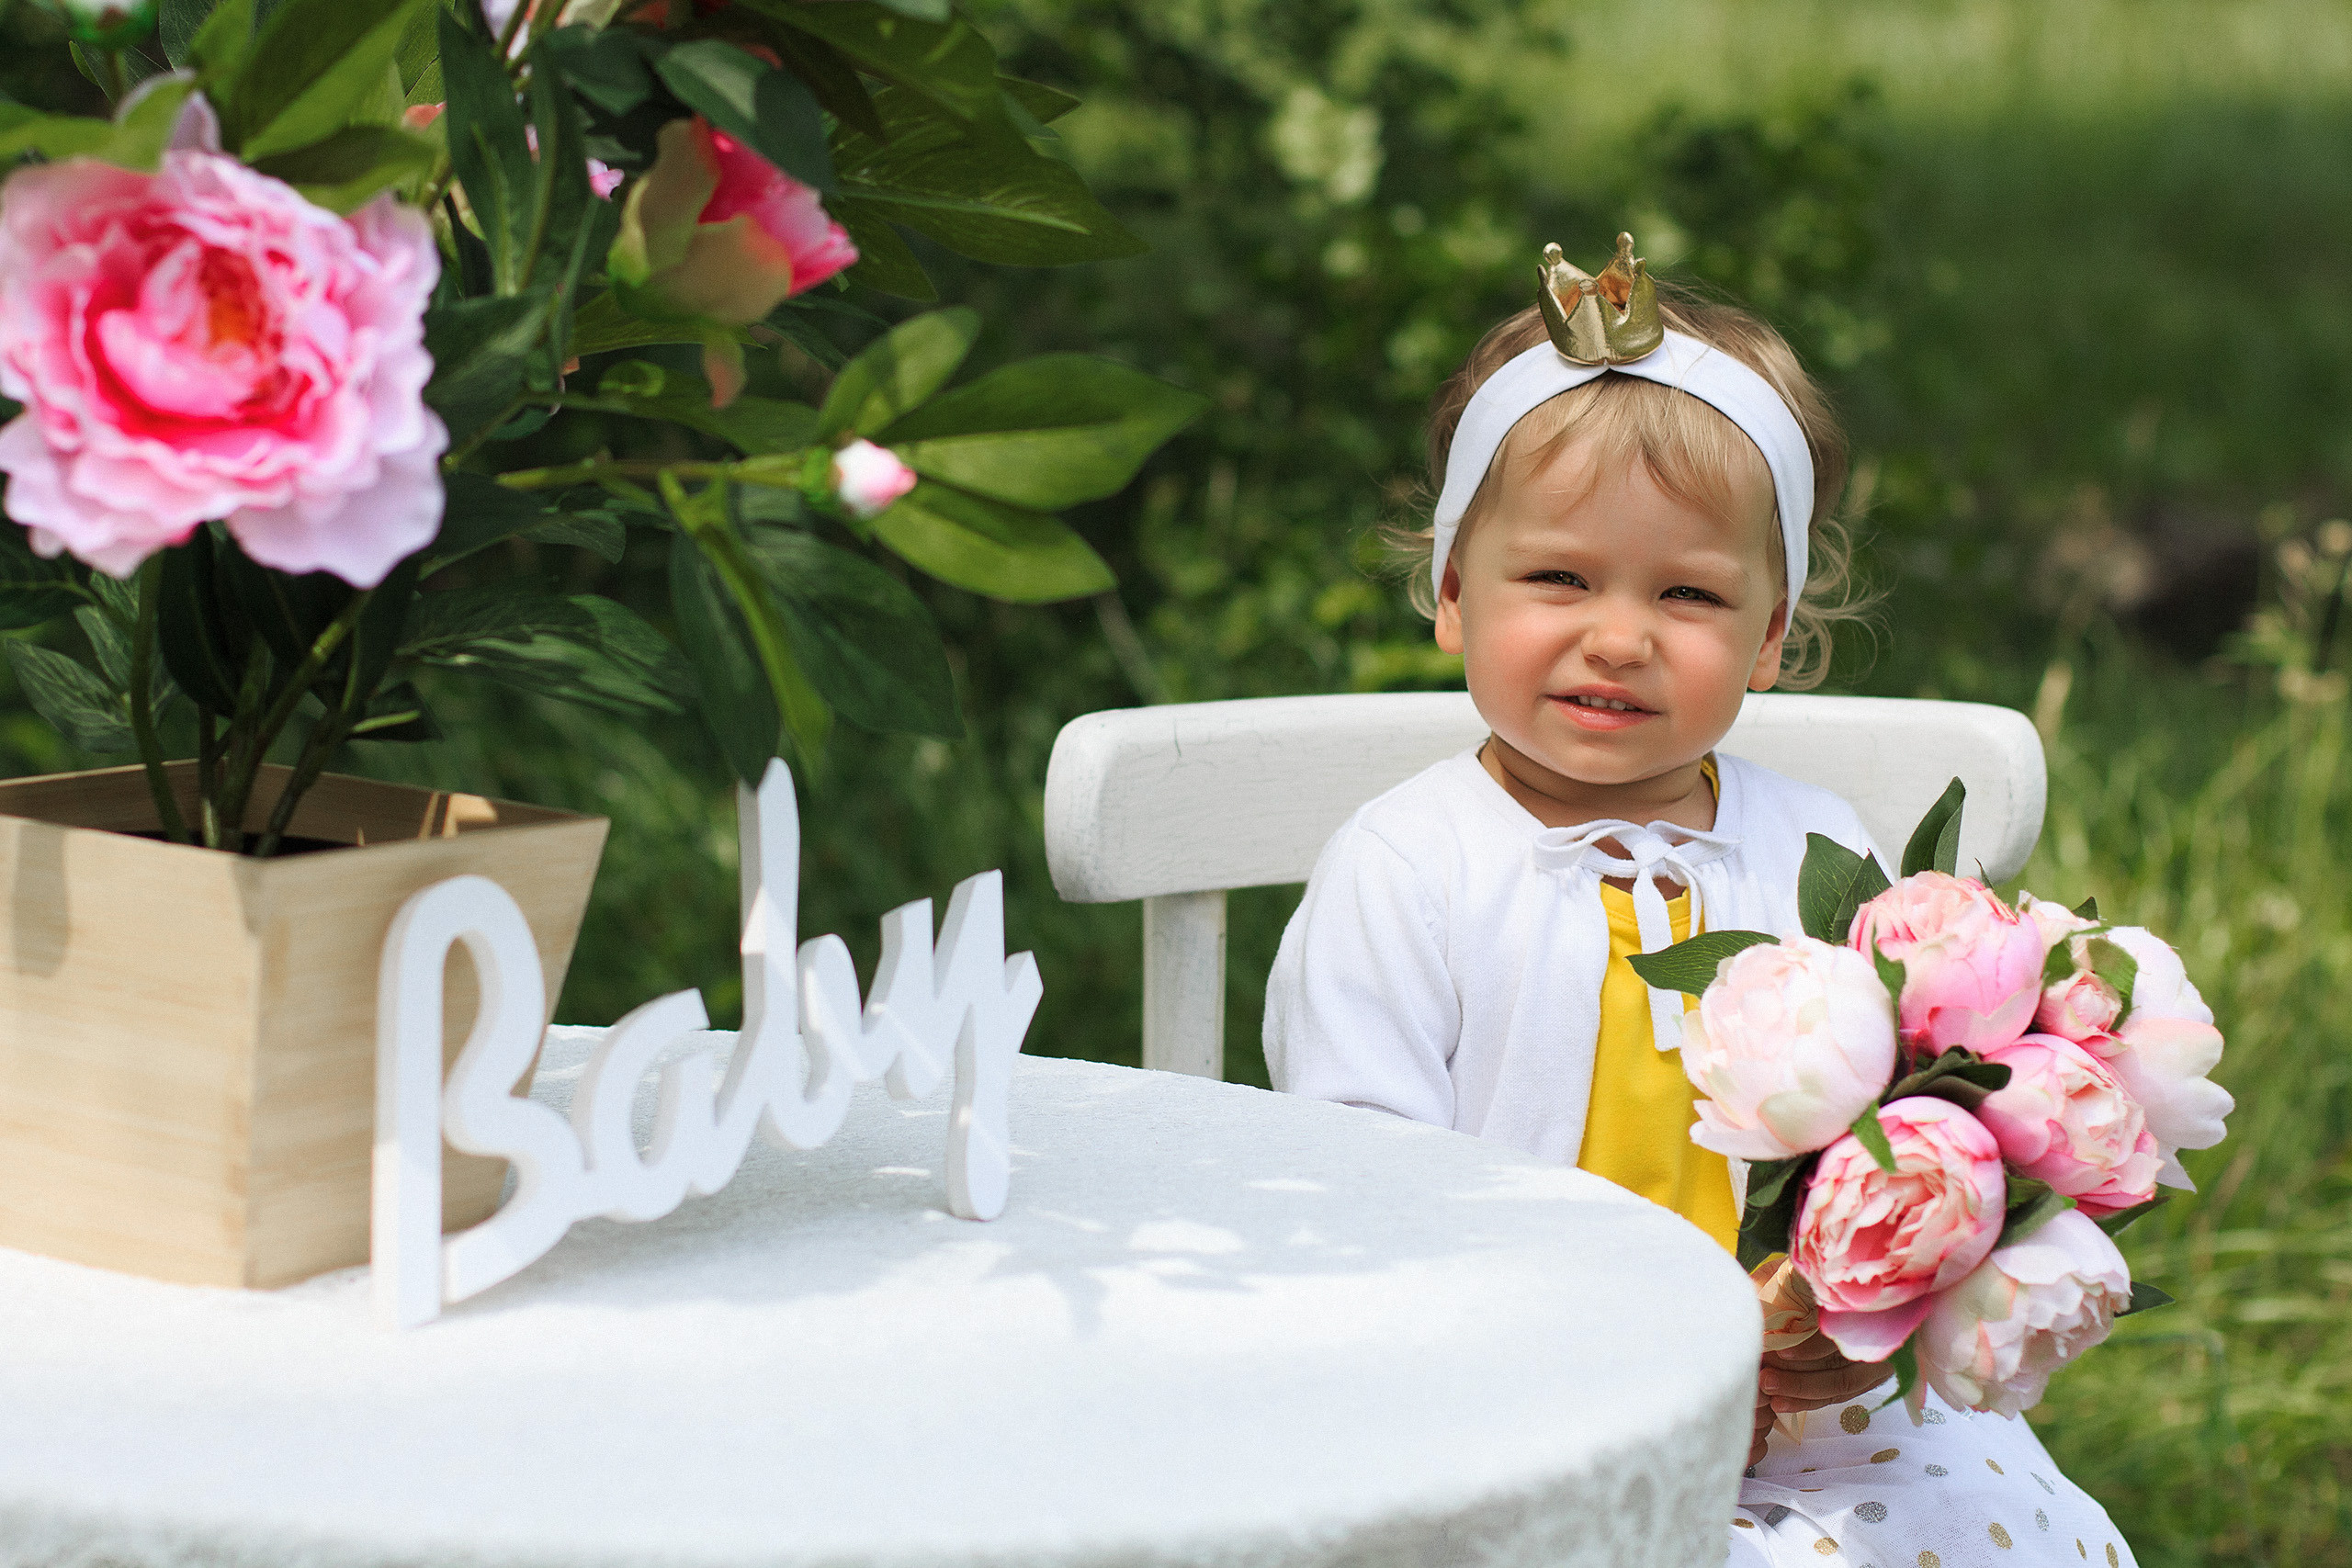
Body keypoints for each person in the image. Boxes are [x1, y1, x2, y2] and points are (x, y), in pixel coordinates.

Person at [1263, 236, 2137, 1566]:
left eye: (1688, 594)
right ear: (1450, 591)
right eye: (1559, 578)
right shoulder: (1408, 870)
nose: (1619, 637)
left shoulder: (1816, 846)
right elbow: (1360, 1195)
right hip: (1502, 1396)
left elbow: (1897, 1129)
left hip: (1809, 1406)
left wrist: (1861, 1309)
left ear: (1770, 635)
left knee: (2000, 1528)